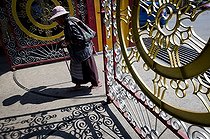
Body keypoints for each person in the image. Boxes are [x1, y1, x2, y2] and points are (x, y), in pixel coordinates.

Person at [50, 6, 101, 90]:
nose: (56, 21)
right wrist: (65, 39)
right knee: (76, 68)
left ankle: (95, 83)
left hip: (83, 49)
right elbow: (73, 35)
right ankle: (78, 84)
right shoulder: (68, 23)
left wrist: (68, 42)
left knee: (89, 67)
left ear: (61, 17)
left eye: (57, 19)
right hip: (77, 50)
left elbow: (80, 38)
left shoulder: (70, 24)